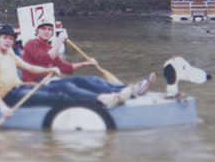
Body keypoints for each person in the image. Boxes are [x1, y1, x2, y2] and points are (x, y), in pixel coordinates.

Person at [0, 25, 154, 118]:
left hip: (24, 87)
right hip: (10, 96)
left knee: (79, 82)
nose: (9, 41)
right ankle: (101, 100)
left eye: (11, 39)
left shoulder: (10, 55)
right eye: (5, 38)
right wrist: (2, 106)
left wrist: (84, 64)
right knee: (63, 94)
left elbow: (34, 67)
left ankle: (123, 90)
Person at [21, 20, 155, 102]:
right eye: (43, 29)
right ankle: (123, 92)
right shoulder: (31, 44)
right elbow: (44, 58)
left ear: (52, 33)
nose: (46, 32)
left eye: (49, 30)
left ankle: (129, 89)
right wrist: (59, 40)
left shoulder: (50, 47)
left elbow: (64, 68)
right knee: (79, 82)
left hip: (48, 81)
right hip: (36, 84)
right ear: (36, 31)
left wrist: (86, 64)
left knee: (91, 79)